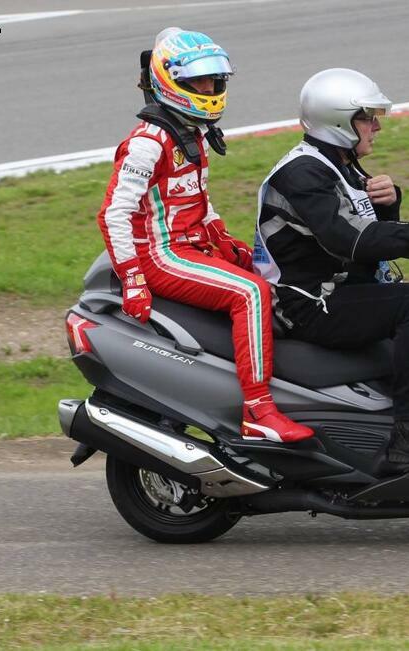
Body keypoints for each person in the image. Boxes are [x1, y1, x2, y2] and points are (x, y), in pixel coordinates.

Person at [97, 27, 312, 443]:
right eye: (198, 82)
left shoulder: (191, 132)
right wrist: (134, 279)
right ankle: (258, 411)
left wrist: (228, 243)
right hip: (160, 257)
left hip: (189, 247)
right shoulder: (147, 143)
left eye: (214, 81)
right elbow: (113, 215)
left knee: (269, 270)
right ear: (169, 82)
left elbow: (197, 202)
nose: (209, 89)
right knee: (249, 293)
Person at [253, 68, 409, 466]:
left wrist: (390, 206)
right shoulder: (302, 174)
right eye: (367, 118)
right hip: (305, 304)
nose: (376, 126)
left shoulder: (339, 163)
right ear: (339, 121)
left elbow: (371, 243)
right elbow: (349, 240)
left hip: (337, 290)